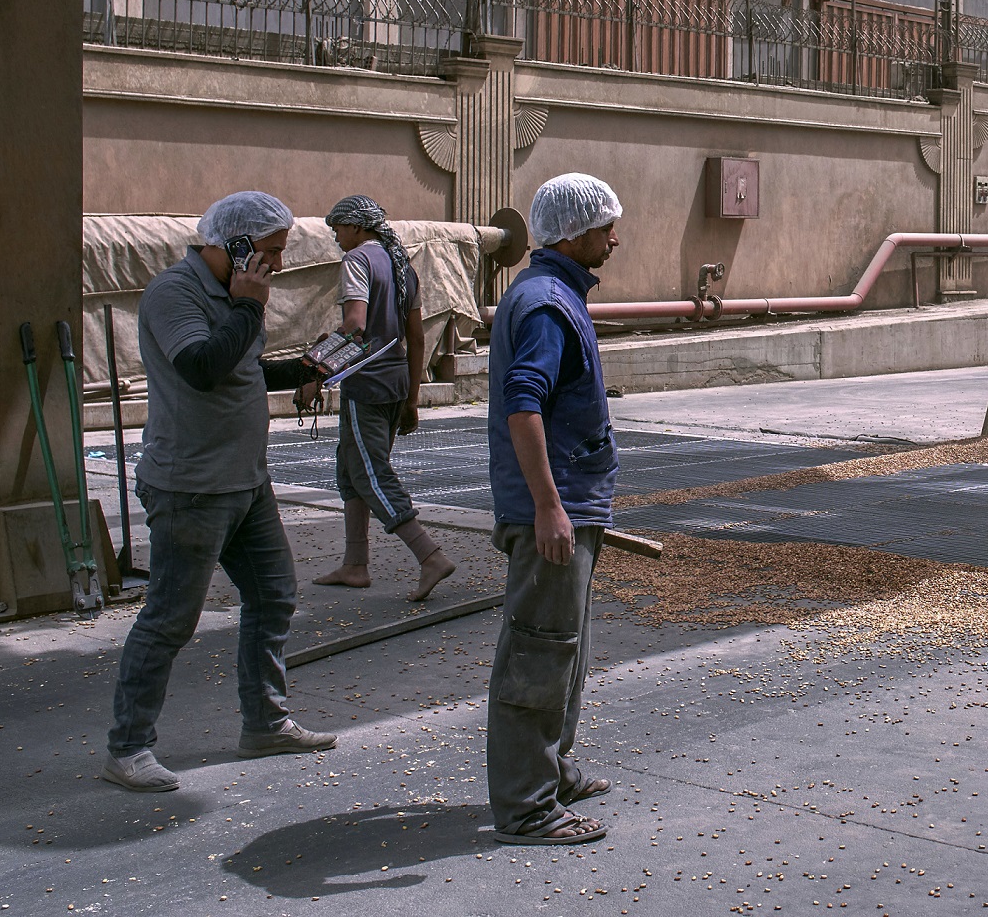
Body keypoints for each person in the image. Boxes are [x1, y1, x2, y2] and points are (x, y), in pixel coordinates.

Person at [102, 192, 337, 793]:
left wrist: (299, 373)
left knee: (274, 594)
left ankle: (265, 722)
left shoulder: (239, 300)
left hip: (245, 480)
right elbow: (203, 367)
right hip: (192, 485)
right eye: (270, 253)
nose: (278, 266)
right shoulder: (174, 293)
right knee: (170, 618)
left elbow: (242, 367)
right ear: (233, 247)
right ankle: (128, 747)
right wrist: (249, 307)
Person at [484, 173, 623, 845]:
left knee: (566, 651)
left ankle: (551, 770)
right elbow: (523, 402)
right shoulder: (545, 304)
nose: (614, 240)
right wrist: (548, 506)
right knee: (539, 654)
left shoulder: (557, 294)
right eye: (605, 228)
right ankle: (526, 806)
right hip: (553, 507)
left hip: (572, 501)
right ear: (571, 233)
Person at [304, 195, 455, 601]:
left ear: (356, 227)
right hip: (395, 383)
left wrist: (314, 371)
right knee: (353, 471)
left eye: (338, 228)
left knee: (370, 473)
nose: (336, 236)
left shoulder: (358, 261)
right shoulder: (402, 266)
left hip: (366, 384)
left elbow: (354, 327)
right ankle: (355, 565)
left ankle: (429, 555)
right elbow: (417, 338)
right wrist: (412, 398)